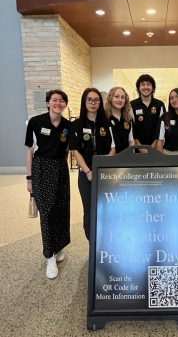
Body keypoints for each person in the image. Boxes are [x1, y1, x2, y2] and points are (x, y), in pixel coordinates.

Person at [25, 89, 70, 279]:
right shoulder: (35, 123)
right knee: (47, 212)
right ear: (47, 103)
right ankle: (49, 255)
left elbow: (67, 149)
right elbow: (29, 150)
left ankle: (58, 246)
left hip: (60, 169)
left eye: (62, 101)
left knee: (60, 209)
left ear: (65, 104)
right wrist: (29, 178)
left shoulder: (68, 126)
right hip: (42, 169)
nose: (58, 103)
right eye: (54, 100)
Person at [69, 88, 115, 241]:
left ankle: (106, 241)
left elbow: (113, 148)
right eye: (90, 99)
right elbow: (75, 150)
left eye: (96, 100)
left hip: (105, 174)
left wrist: (105, 166)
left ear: (100, 103)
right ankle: (92, 243)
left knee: (107, 210)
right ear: (84, 102)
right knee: (89, 210)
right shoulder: (76, 125)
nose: (93, 103)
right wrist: (88, 171)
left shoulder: (107, 123)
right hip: (86, 174)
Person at [131, 74, 166, 147]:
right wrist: (139, 147)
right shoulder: (132, 105)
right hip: (137, 148)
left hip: (156, 147)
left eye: (149, 84)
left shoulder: (159, 105)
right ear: (138, 88)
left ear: (153, 88)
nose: (146, 87)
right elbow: (131, 128)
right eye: (142, 84)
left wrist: (153, 146)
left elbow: (161, 127)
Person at [104, 86, 135, 153]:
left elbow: (131, 140)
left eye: (122, 97)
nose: (120, 100)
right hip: (109, 158)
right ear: (110, 98)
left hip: (125, 158)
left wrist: (131, 155)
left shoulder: (128, 119)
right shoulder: (104, 118)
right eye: (116, 96)